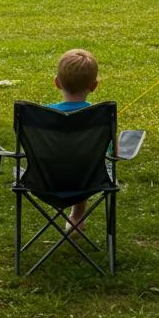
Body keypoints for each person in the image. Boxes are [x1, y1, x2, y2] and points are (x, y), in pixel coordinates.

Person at [50, 48, 99, 232]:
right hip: (89, 181)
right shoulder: (100, 116)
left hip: (45, 179)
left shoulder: (42, 115)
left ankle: (70, 215)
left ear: (57, 83)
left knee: (73, 165)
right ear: (94, 86)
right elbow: (114, 153)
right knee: (83, 166)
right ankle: (77, 217)